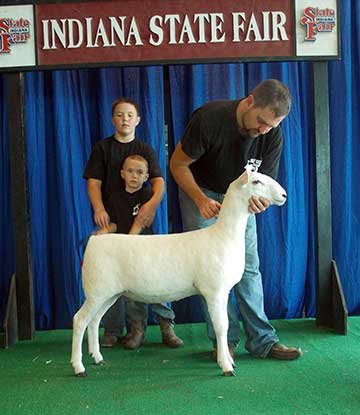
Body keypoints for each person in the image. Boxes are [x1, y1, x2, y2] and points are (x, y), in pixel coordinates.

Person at [169, 79, 301, 360]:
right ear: (250, 101)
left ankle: (263, 341)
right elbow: (178, 165)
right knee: (211, 273)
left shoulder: (271, 135)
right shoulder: (208, 119)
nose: (263, 130)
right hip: (203, 192)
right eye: (262, 121)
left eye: (271, 126)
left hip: (241, 199)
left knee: (248, 267)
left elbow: (264, 183)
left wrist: (260, 201)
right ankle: (224, 342)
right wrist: (200, 199)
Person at [83, 97, 183, 349]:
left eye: (130, 115)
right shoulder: (103, 149)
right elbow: (93, 182)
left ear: (138, 120)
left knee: (159, 279)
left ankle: (166, 325)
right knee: (116, 280)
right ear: (112, 119)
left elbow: (159, 181)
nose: (124, 119)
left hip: (144, 234)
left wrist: (150, 207)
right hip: (115, 220)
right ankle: (123, 330)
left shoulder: (146, 150)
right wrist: (100, 211)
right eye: (119, 114)